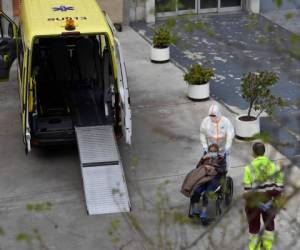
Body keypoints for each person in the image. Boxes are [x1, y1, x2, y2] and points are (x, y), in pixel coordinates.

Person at [243, 142, 284, 250]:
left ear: (253, 153)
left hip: (254, 205)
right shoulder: (274, 166)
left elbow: (248, 192)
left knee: (254, 227)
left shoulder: (248, 168)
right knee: (269, 225)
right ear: (264, 152)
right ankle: (267, 246)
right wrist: (270, 202)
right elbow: (279, 187)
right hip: (269, 202)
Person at [190, 143, 227, 225]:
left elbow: (224, 170)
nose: (212, 153)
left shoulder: (221, 159)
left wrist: (214, 168)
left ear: (217, 152)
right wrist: (202, 160)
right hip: (203, 178)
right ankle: (195, 211)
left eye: (214, 151)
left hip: (215, 179)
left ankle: (203, 215)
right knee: (196, 190)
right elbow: (197, 168)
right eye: (210, 151)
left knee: (206, 194)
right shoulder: (205, 158)